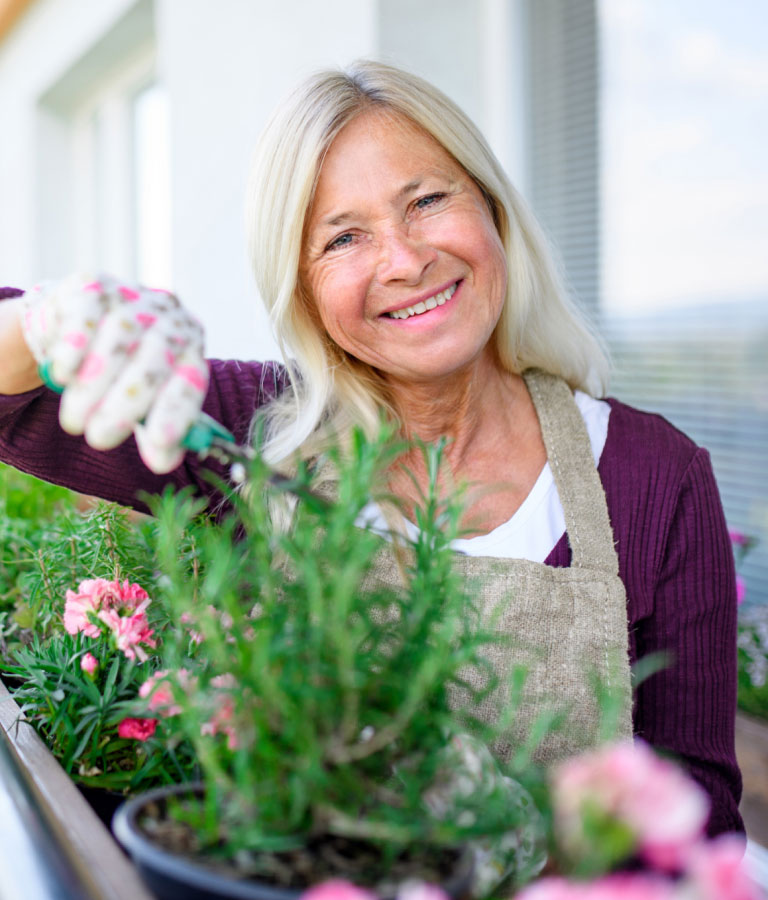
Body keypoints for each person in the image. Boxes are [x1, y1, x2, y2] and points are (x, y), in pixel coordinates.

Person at [0, 60, 742, 836]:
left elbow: (699, 823)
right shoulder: (252, 436)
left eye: (426, 200)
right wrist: (51, 318)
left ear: (493, 212)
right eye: (345, 237)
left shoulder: (655, 475)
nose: (404, 259)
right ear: (304, 289)